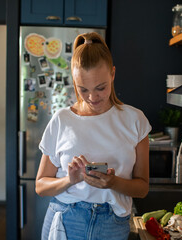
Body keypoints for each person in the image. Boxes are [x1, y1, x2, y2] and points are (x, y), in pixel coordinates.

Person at [35, 32, 152, 240]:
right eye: (83, 89)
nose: (92, 97)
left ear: (113, 74)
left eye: (100, 88)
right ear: (74, 82)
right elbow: (41, 186)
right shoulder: (61, 120)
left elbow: (142, 188)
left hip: (112, 225)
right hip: (66, 218)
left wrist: (112, 182)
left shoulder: (136, 120)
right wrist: (69, 180)